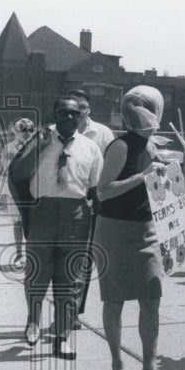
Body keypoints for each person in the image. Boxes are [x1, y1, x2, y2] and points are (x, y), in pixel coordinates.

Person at [94, 86, 177, 370]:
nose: (140, 111)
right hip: (115, 229)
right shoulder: (121, 146)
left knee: (151, 298)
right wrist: (142, 175)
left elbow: (162, 190)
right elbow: (104, 190)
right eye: (136, 106)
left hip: (146, 228)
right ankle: (118, 365)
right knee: (114, 300)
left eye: (146, 106)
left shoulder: (153, 146)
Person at [7, 98, 103, 357]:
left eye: (75, 113)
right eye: (64, 112)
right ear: (55, 113)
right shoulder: (40, 138)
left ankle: (62, 336)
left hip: (76, 213)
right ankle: (33, 323)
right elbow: (18, 173)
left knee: (70, 277)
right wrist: (40, 145)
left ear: (82, 115)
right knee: (38, 272)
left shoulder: (90, 147)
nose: (70, 117)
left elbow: (94, 188)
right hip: (44, 211)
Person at [67, 89, 115, 311]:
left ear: (89, 109)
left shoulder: (103, 133)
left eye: (83, 107)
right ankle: (65, 306)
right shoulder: (56, 131)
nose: (79, 112)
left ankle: (75, 310)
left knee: (83, 258)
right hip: (66, 201)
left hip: (94, 200)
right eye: (74, 107)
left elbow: (112, 168)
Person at [0, 117, 36, 265]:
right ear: (15, 131)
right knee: (17, 223)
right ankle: (19, 254)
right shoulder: (9, 148)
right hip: (14, 191)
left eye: (30, 130)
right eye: (23, 130)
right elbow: (4, 171)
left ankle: (32, 254)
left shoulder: (37, 146)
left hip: (33, 191)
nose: (27, 133)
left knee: (32, 224)